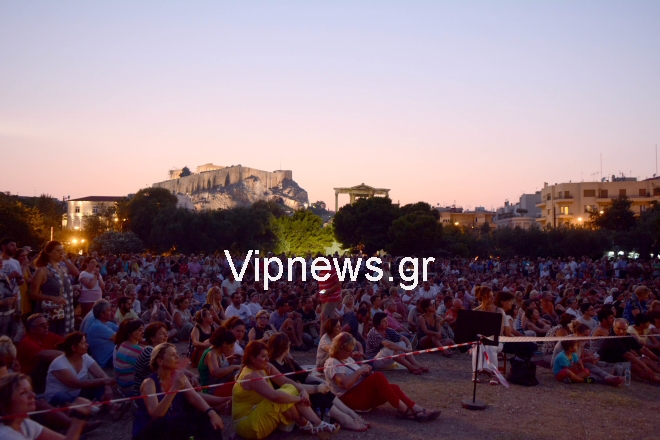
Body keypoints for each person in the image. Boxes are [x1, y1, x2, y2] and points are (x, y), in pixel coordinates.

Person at [232, 340, 339, 439]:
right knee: (279, 397)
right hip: (247, 424)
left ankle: (313, 425)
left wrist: (302, 390)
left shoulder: (263, 366)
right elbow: (274, 396)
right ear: (252, 358)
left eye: (267, 355)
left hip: (257, 413)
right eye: (263, 356)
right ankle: (313, 425)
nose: (267, 359)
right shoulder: (251, 375)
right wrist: (299, 399)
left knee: (289, 389)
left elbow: (284, 380)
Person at [324, 332, 439, 422]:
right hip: (347, 399)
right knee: (378, 377)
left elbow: (356, 374)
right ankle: (404, 410)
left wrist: (364, 371)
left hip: (357, 393)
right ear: (340, 349)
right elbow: (344, 384)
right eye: (348, 350)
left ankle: (416, 408)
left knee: (393, 388)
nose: (351, 352)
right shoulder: (332, 362)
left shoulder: (347, 358)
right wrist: (360, 370)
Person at [267, 332, 368, 432]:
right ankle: (343, 418)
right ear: (284, 347)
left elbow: (305, 376)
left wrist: (324, 383)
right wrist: (318, 388)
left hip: (299, 390)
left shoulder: (288, 361)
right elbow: (287, 387)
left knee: (319, 386)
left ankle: (350, 414)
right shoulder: (272, 365)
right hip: (291, 396)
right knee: (317, 391)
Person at [133, 343, 224, 440]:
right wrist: (174, 388)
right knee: (172, 424)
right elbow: (156, 415)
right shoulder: (149, 383)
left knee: (208, 418)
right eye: (173, 355)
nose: (177, 357)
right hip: (152, 429)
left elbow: (194, 396)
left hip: (173, 422)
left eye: (176, 354)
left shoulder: (178, 375)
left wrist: (210, 412)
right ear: (160, 361)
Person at [0, 373, 89, 440]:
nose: (33, 395)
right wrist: (78, 420)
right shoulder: (5, 435)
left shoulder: (25, 424)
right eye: (23, 393)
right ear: (6, 402)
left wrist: (79, 419)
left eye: (31, 390)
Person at [43, 332, 115, 406]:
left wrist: (107, 386)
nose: (87, 345)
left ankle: (108, 405)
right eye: (84, 343)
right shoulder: (59, 363)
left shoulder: (85, 356)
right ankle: (93, 407)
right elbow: (76, 384)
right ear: (74, 348)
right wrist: (104, 381)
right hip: (57, 398)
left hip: (77, 394)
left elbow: (102, 375)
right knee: (62, 396)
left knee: (100, 385)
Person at [30, 241, 75, 336]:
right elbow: (33, 294)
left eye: (62, 250)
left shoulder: (63, 269)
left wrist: (65, 260)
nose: (61, 253)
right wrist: (52, 298)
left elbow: (76, 273)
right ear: (49, 253)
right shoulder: (42, 271)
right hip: (49, 313)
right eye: (58, 250)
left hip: (63, 311)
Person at [598, 318, 660, 384]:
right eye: (618, 328)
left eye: (624, 329)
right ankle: (657, 380)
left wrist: (657, 359)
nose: (621, 331)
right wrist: (645, 367)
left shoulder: (627, 336)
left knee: (645, 359)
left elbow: (642, 349)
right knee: (635, 366)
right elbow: (628, 355)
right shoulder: (611, 338)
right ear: (613, 327)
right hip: (609, 365)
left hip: (621, 362)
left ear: (627, 328)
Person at [198, 327, 240, 397]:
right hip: (211, 390)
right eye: (230, 346)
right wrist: (234, 367)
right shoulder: (211, 353)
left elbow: (217, 363)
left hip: (220, 386)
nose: (230, 349)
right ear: (224, 344)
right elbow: (216, 372)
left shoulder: (219, 352)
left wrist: (229, 359)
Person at [133, 322, 168, 396]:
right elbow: (165, 371)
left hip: (154, 387)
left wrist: (191, 375)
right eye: (162, 333)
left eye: (166, 333)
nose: (166, 335)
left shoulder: (159, 350)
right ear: (152, 338)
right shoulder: (149, 352)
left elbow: (175, 365)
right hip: (145, 393)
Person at [113, 319, 144, 396]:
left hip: (121, 385)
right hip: (131, 388)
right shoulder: (137, 350)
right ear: (130, 333)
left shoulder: (123, 344)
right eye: (140, 330)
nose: (143, 332)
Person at [85, 299, 119, 368]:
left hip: (112, 355)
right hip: (107, 360)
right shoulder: (97, 326)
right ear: (102, 314)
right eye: (109, 310)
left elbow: (123, 329)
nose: (111, 312)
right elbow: (119, 337)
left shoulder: (106, 323)